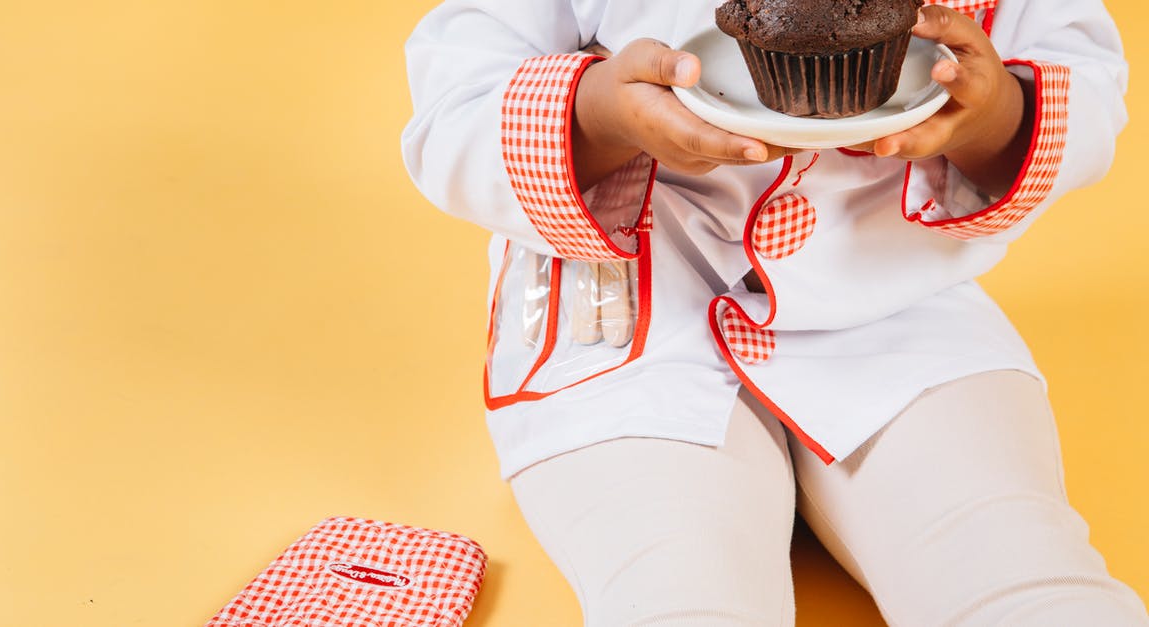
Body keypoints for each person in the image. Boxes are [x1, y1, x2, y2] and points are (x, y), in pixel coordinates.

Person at [402, 0, 1149, 624]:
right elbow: (453, 113)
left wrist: (994, 115)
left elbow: (1080, 74)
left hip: (898, 305)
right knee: (681, 594)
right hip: (624, 321)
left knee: (1023, 572)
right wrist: (600, 115)